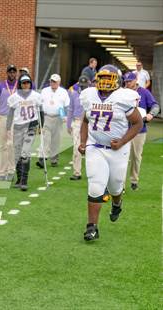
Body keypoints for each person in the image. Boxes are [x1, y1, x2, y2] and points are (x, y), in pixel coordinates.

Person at [78, 64, 143, 241]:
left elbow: (138, 123)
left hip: (118, 150)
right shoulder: (89, 96)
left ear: (117, 81)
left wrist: (122, 141)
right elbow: (85, 121)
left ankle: (117, 203)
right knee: (96, 184)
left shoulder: (124, 97)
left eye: (109, 79)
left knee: (115, 186)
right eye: (103, 78)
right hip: (96, 146)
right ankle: (92, 227)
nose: (105, 82)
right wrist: (83, 142)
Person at [123, 71, 159, 190]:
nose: (128, 83)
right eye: (126, 81)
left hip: (139, 129)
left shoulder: (144, 92)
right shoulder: (121, 93)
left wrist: (151, 115)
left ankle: (134, 180)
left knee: (136, 156)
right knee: (121, 157)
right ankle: (120, 184)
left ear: (135, 80)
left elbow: (155, 106)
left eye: (130, 81)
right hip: (123, 129)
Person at [6, 74, 43, 190]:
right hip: (18, 127)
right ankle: (19, 178)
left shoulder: (36, 96)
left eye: (27, 82)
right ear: (20, 84)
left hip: (31, 126)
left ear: (30, 84)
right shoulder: (14, 97)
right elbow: (11, 113)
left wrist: (42, 125)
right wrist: (8, 127)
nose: (26, 85)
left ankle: (24, 181)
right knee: (17, 154)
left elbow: (41, 111)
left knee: (25, 152)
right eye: (23, 83)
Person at [36, 73, 70, 168]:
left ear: (59, 82)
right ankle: (42, 158)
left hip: (58, 118)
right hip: (46, 117)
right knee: (45, 138)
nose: (53, 83)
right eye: (51, 81)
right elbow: (40, 103)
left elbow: (66, 105)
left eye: (55, 81)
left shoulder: (63, 92)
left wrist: (65, 116)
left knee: (56, 139)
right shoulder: (44, 91)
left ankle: (54, 158)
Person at [0, 64, 17, 181]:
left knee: (11, 144)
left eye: (14, 72)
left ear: (16, 73)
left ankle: (11, 170)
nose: (12, 74)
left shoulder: (19, 85)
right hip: (3, 117)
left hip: (15, 118)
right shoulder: (0, 86)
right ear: (7, 73)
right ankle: (2, 172)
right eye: (10, 72)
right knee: (3, 145)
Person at [66, 75, 90, 180]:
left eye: (85, 86)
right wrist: (68, 124)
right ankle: (77, 172)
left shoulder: (92, 95)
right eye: (82, 86)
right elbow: (70, 109)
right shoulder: (74, 94)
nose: (83, 88)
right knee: (76, 148)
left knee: (91, 149)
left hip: (89, 123)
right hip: (76, 122)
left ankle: (92, 172)